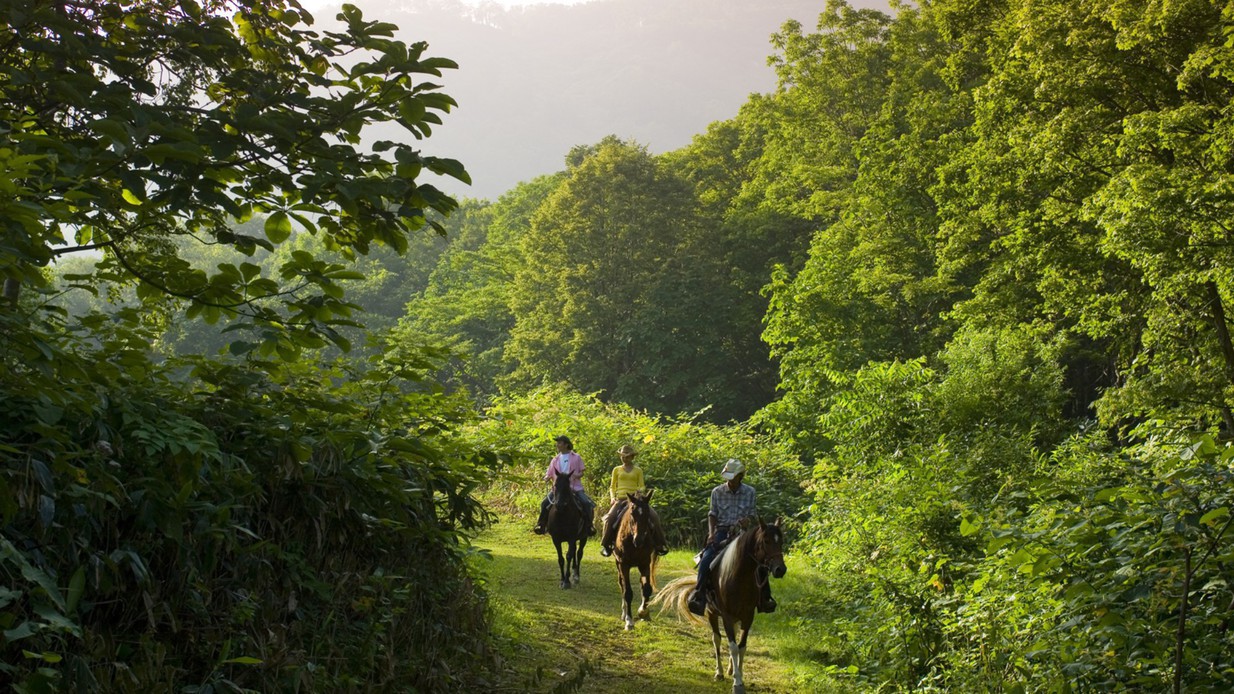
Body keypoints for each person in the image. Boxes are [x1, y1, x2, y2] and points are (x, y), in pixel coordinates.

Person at [686, 458, 776, 616]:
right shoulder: (717, 492)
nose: (730, 481)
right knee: (706, 559)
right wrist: (712, 533)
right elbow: (712, 514)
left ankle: (765, 597)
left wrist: (747, 520)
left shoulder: (750, 492)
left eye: (733, 477)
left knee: (760, 561)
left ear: (740, 476)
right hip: (721, 531)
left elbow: (752, 514)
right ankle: (699, 595)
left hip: (743, 534)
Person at [599, 444, 668, 557]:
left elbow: (641, 486)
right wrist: (612, 498)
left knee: (654, 516)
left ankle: (660, 544)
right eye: (622, 456)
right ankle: (606, 545)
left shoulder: (638, 470)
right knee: (609, 518)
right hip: (621, 499)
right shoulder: (616, 470)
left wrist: (638, 494)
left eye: (626, 456)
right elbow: (612, 486)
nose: (624, 458)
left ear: (631, 457)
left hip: (635, 500)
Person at [532, 435, 596, 536]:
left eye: (559, 443)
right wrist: (546, 477)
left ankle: (589, 526)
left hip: (574, 487)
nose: (557, 445)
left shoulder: (576, 457)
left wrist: (577, 475)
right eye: (557, 443)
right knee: (544, 503)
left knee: (586, 503)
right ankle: (541, 525)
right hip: (558, 489)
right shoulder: (555, 459)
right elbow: (549, 473)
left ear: (566, 445)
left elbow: (582, 472)